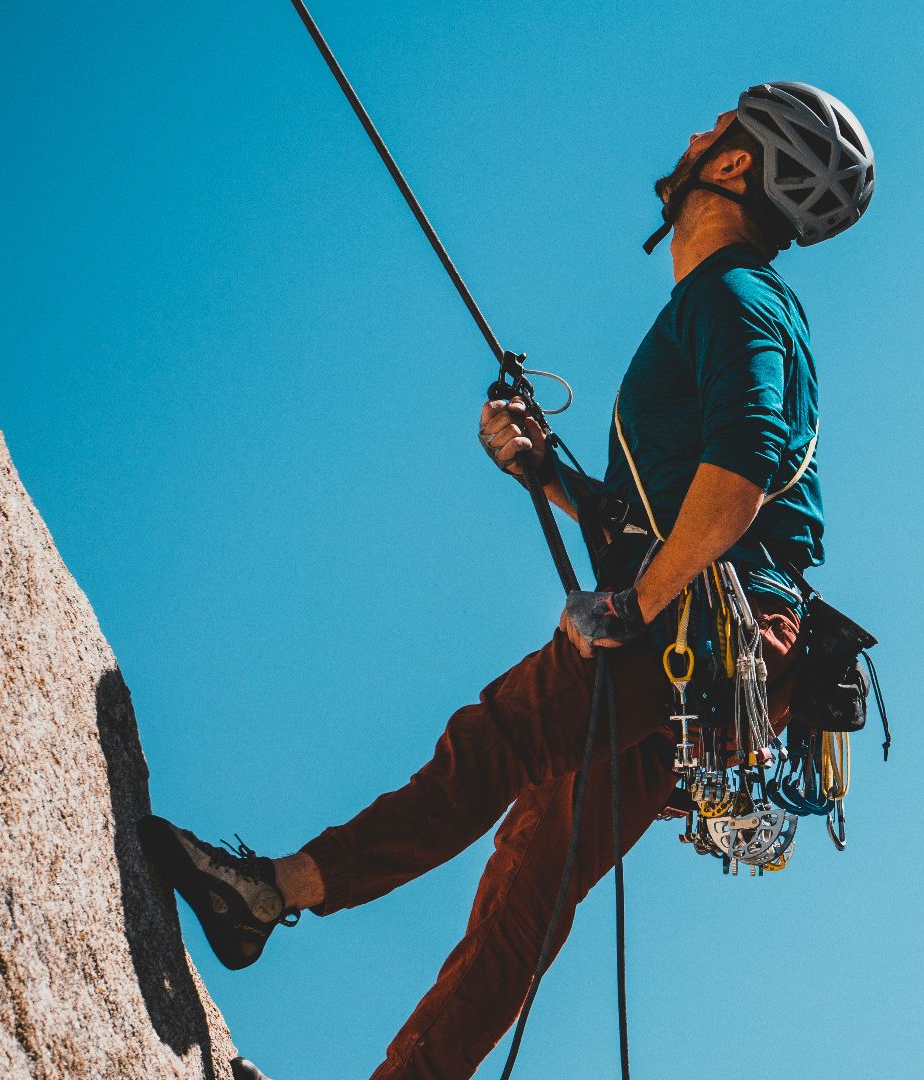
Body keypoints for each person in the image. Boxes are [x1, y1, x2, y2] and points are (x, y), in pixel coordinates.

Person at [138, 81, 874, 1080]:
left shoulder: (734, 297)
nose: (696, 131)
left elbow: (741, 475)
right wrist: (545, 472)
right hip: (729, 662)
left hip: (699, 633)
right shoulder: (726, 305)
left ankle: (267, 893)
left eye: (717, 127)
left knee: (497, 741)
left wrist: (635, 605)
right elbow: (660, 512)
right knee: (532, 877)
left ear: (737, 165)